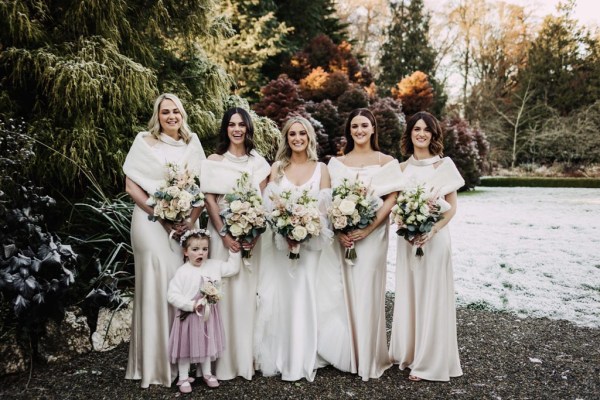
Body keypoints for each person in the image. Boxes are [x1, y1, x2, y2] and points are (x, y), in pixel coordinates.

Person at [122, 93, 206, 388]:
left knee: (179, 281)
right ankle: (154, 365)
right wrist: (161, 215)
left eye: (176, 111)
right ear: (157, 116)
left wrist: (190, 222)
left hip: (182, 227)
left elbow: (202, 187)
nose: (171, 116)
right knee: (155, 281)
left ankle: (182, 362)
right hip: (149, 223)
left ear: (182, 114)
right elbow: (131, 186)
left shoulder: (192, 143)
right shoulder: (143, 141)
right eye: (165, 112)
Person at [317, 108, 402, 381]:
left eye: (364, 125)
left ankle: (368, 356)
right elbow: (328, 200)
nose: (359, 130)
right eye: (354, 126)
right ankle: (348, 353)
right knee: (346, 292)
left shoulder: (387, 161)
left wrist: (368, 228)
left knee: (367, 290)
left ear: (373, 128)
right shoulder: (337, 163)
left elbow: (391, 199)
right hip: (345, 236)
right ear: (349, 130)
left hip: (374, 236)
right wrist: (340, 229)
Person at [389, 111, 464, 382]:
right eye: (416, 129)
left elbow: (452, 208)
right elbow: (394, 205)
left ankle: (428, 361)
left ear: (434, 134)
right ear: (409, 133)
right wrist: (404, 224)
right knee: (410, 294)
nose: (421, 133)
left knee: (432, 296)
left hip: (434, 239)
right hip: (407, 240)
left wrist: (431, 231)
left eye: (426, 129)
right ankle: (409, 354)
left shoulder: (444, 166)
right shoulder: (400, 168)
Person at [254, 116, 331, 382]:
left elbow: (323, 211)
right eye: (292, 134)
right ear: (286, 138)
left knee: (304, 293)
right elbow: (269, 207)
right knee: (283, 295)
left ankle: (302, 357)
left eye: (302, 133)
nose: (297, 138)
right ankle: (282, 355)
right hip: (281, 243)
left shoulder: (322, 168)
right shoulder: (277, 168)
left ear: (309, 136)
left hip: (311, 244)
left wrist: (305, 231)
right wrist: (285, 232)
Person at [200, 107, 270, 380]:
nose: (237, 129)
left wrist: (253, 235)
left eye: (242, 124)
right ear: (225, 129)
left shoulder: (259, 163)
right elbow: (209, 200)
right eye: (232, 124)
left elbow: (264, 202)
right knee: (222, 294)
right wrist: (223, 234)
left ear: (248, 128)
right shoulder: (214, 160)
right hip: (221, 237)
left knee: (245, 296)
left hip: (251, 238)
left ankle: (244, 360)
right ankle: (220, 362)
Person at [167, 229, 242, 394]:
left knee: (207, 344)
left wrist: (234, 251)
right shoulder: (183, 272)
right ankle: (183, 376)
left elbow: (232, 269)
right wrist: (189, 305)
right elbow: (172, 295)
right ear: (186, 252)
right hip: (189, 317)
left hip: (208, 317)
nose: (200, 253)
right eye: (195, 250)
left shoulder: (213, 265)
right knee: (185, 348)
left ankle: (207, 373)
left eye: (204, 249)